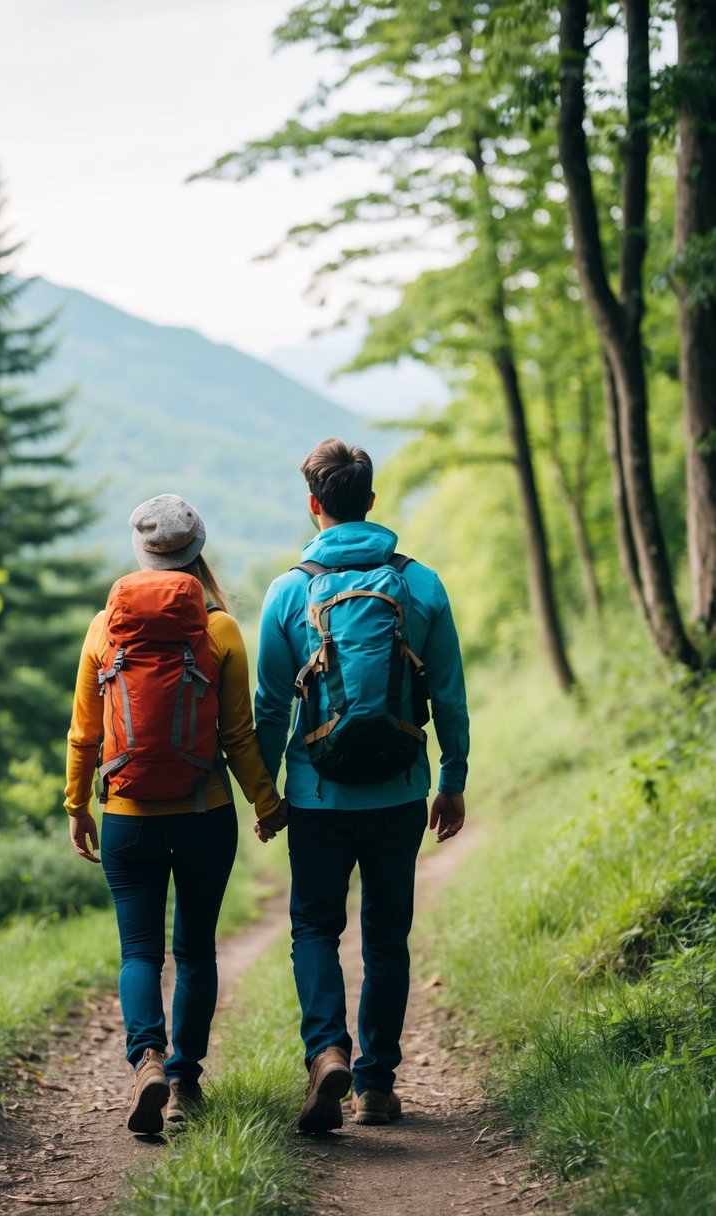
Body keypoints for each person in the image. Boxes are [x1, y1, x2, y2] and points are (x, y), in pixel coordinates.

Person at [254, 437, 468, 1132]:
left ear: (314, 505)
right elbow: (448, 696)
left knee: (314, 927)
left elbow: (269, 706)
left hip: (316, 797)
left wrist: (264, 793)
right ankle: (376, 1086)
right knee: (385, 934)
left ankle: (326, 1052)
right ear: (370, 502)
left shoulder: (289, 592)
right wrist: (451, 778)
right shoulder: (421, 584)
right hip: (401, 791)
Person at [65, 494, 285, 1135]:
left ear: (141, 552)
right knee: (194, 953)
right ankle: (186, 1081)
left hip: (128, 815)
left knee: (139, 952)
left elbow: (83, 735)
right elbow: (239, 735)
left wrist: (78, 806)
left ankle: (147, 1061)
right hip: (204, 811)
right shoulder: (219, 629)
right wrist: (267, 804)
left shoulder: (104, 626)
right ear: (197, 552)